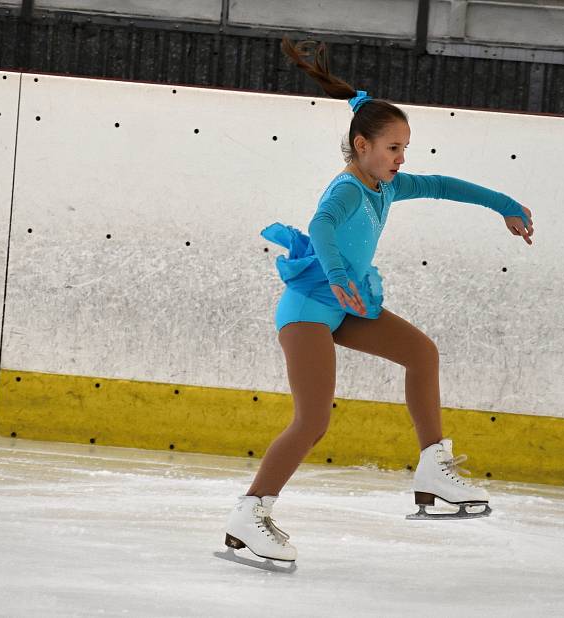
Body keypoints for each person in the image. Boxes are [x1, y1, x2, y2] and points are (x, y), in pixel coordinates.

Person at [223, 36, 534, 567]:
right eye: (393, 148)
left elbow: (439, 184)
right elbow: (321, 224)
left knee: (421, 353)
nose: (402, 157)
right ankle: (250, 513)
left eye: (404, 148)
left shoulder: (386, 185)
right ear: (361, 146)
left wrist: (504, 204)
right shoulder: (347, 188)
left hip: (345, 306)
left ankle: (434, 470)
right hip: (307, 311)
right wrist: (340, 272)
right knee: (313, 419)